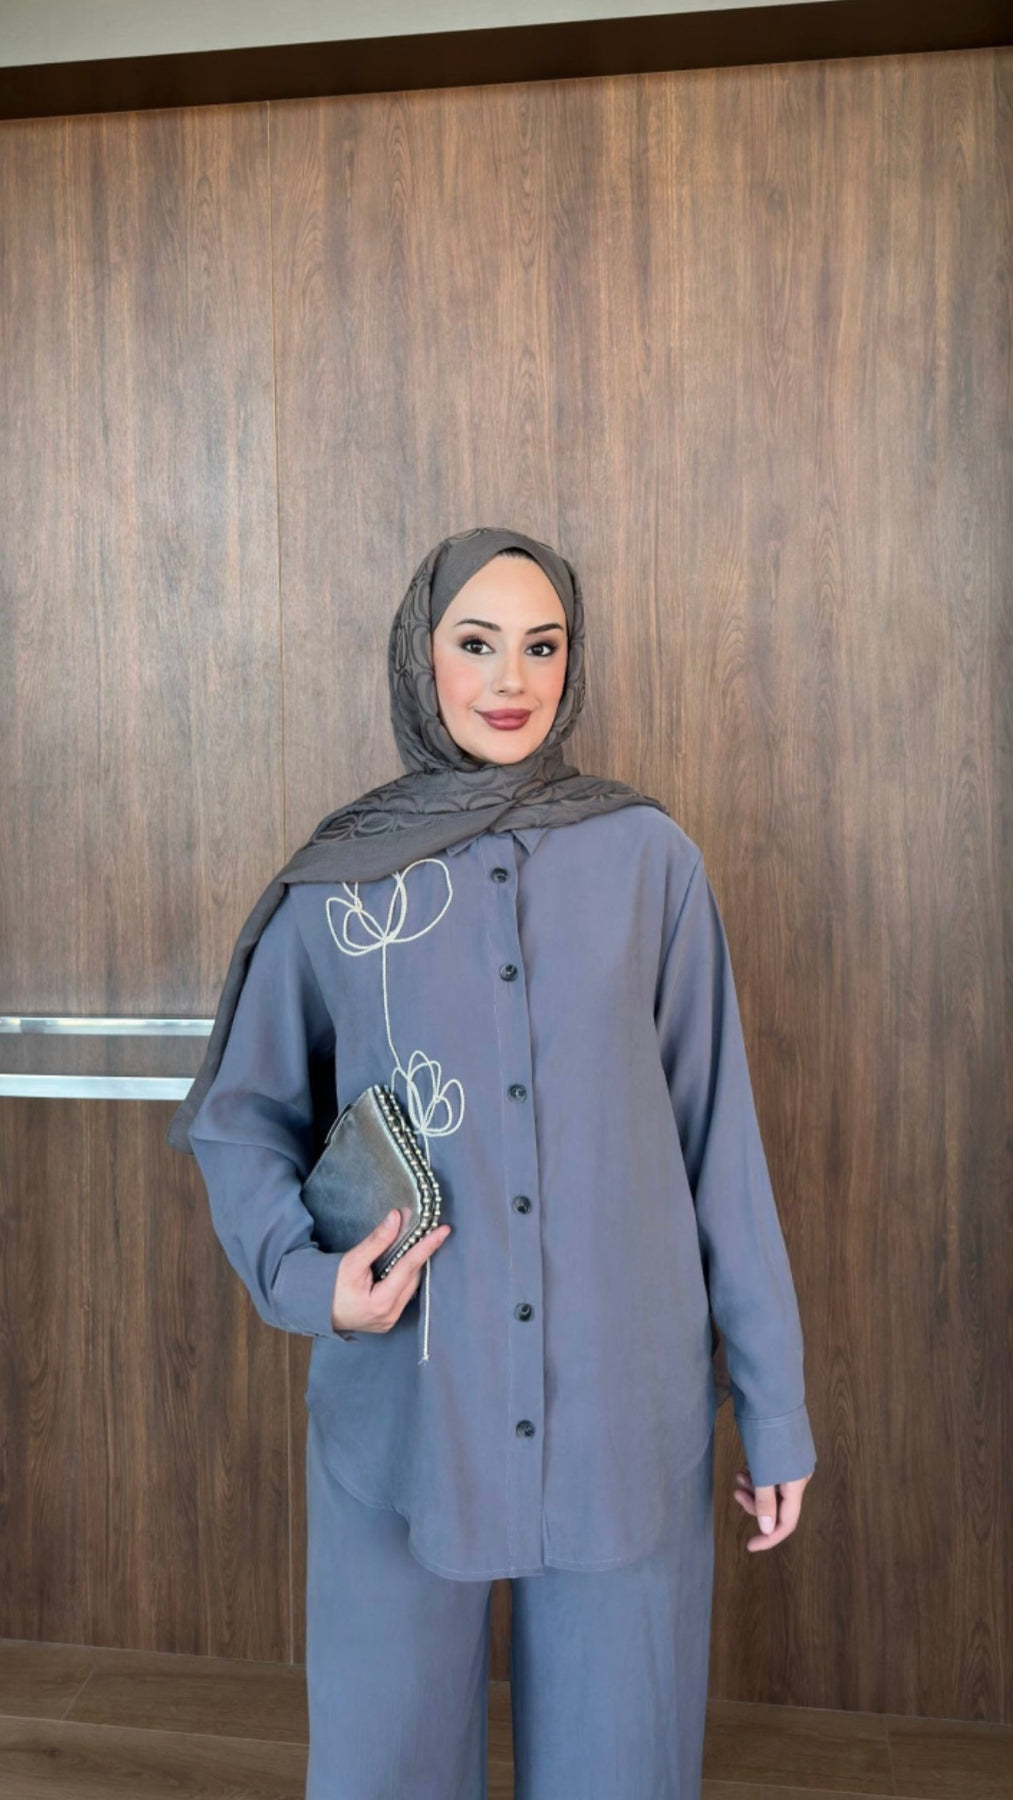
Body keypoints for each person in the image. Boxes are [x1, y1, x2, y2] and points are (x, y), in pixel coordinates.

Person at [166, 525, 817, 1800]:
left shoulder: (651, 862)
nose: (509, 679)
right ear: (423, 658)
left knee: (620, 1772)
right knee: (384, 1769)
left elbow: (717, 1146)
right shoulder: (341, 883)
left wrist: (774, 1408)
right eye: (475, 643)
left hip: (623, 1413)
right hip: (406, 1412)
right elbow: (240, 1116)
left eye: (540, 645)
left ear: (572, 662)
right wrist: (310, 1283)